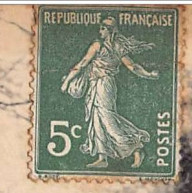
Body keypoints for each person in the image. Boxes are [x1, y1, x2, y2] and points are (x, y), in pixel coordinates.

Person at [61, 16, 158, 169]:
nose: (100, 30)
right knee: (96, 119)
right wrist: (148, 74)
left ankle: (136, 147)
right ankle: (102, 157)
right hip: (97, 84)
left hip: (104, 84)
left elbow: (83, 63)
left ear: (109, 30)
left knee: (107, 118)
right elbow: (133, 67)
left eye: (102, 28)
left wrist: (67, 82)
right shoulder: (117, 47)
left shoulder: (99, 45)